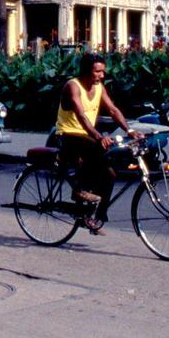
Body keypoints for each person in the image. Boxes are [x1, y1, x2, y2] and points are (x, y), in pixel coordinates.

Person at [55, 53, 138, 235]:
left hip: (87, 136)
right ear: (86, 71)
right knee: (95, 149)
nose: (101, 75)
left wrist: (129, 130)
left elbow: (113, 110)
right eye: (97, 72)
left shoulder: (99, 87)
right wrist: (100, 137)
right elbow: (82, 116)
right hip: (68, 134)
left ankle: (95, 217)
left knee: (110, 174)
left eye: (103, 72)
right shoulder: (73, 86)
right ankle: (79, 190)